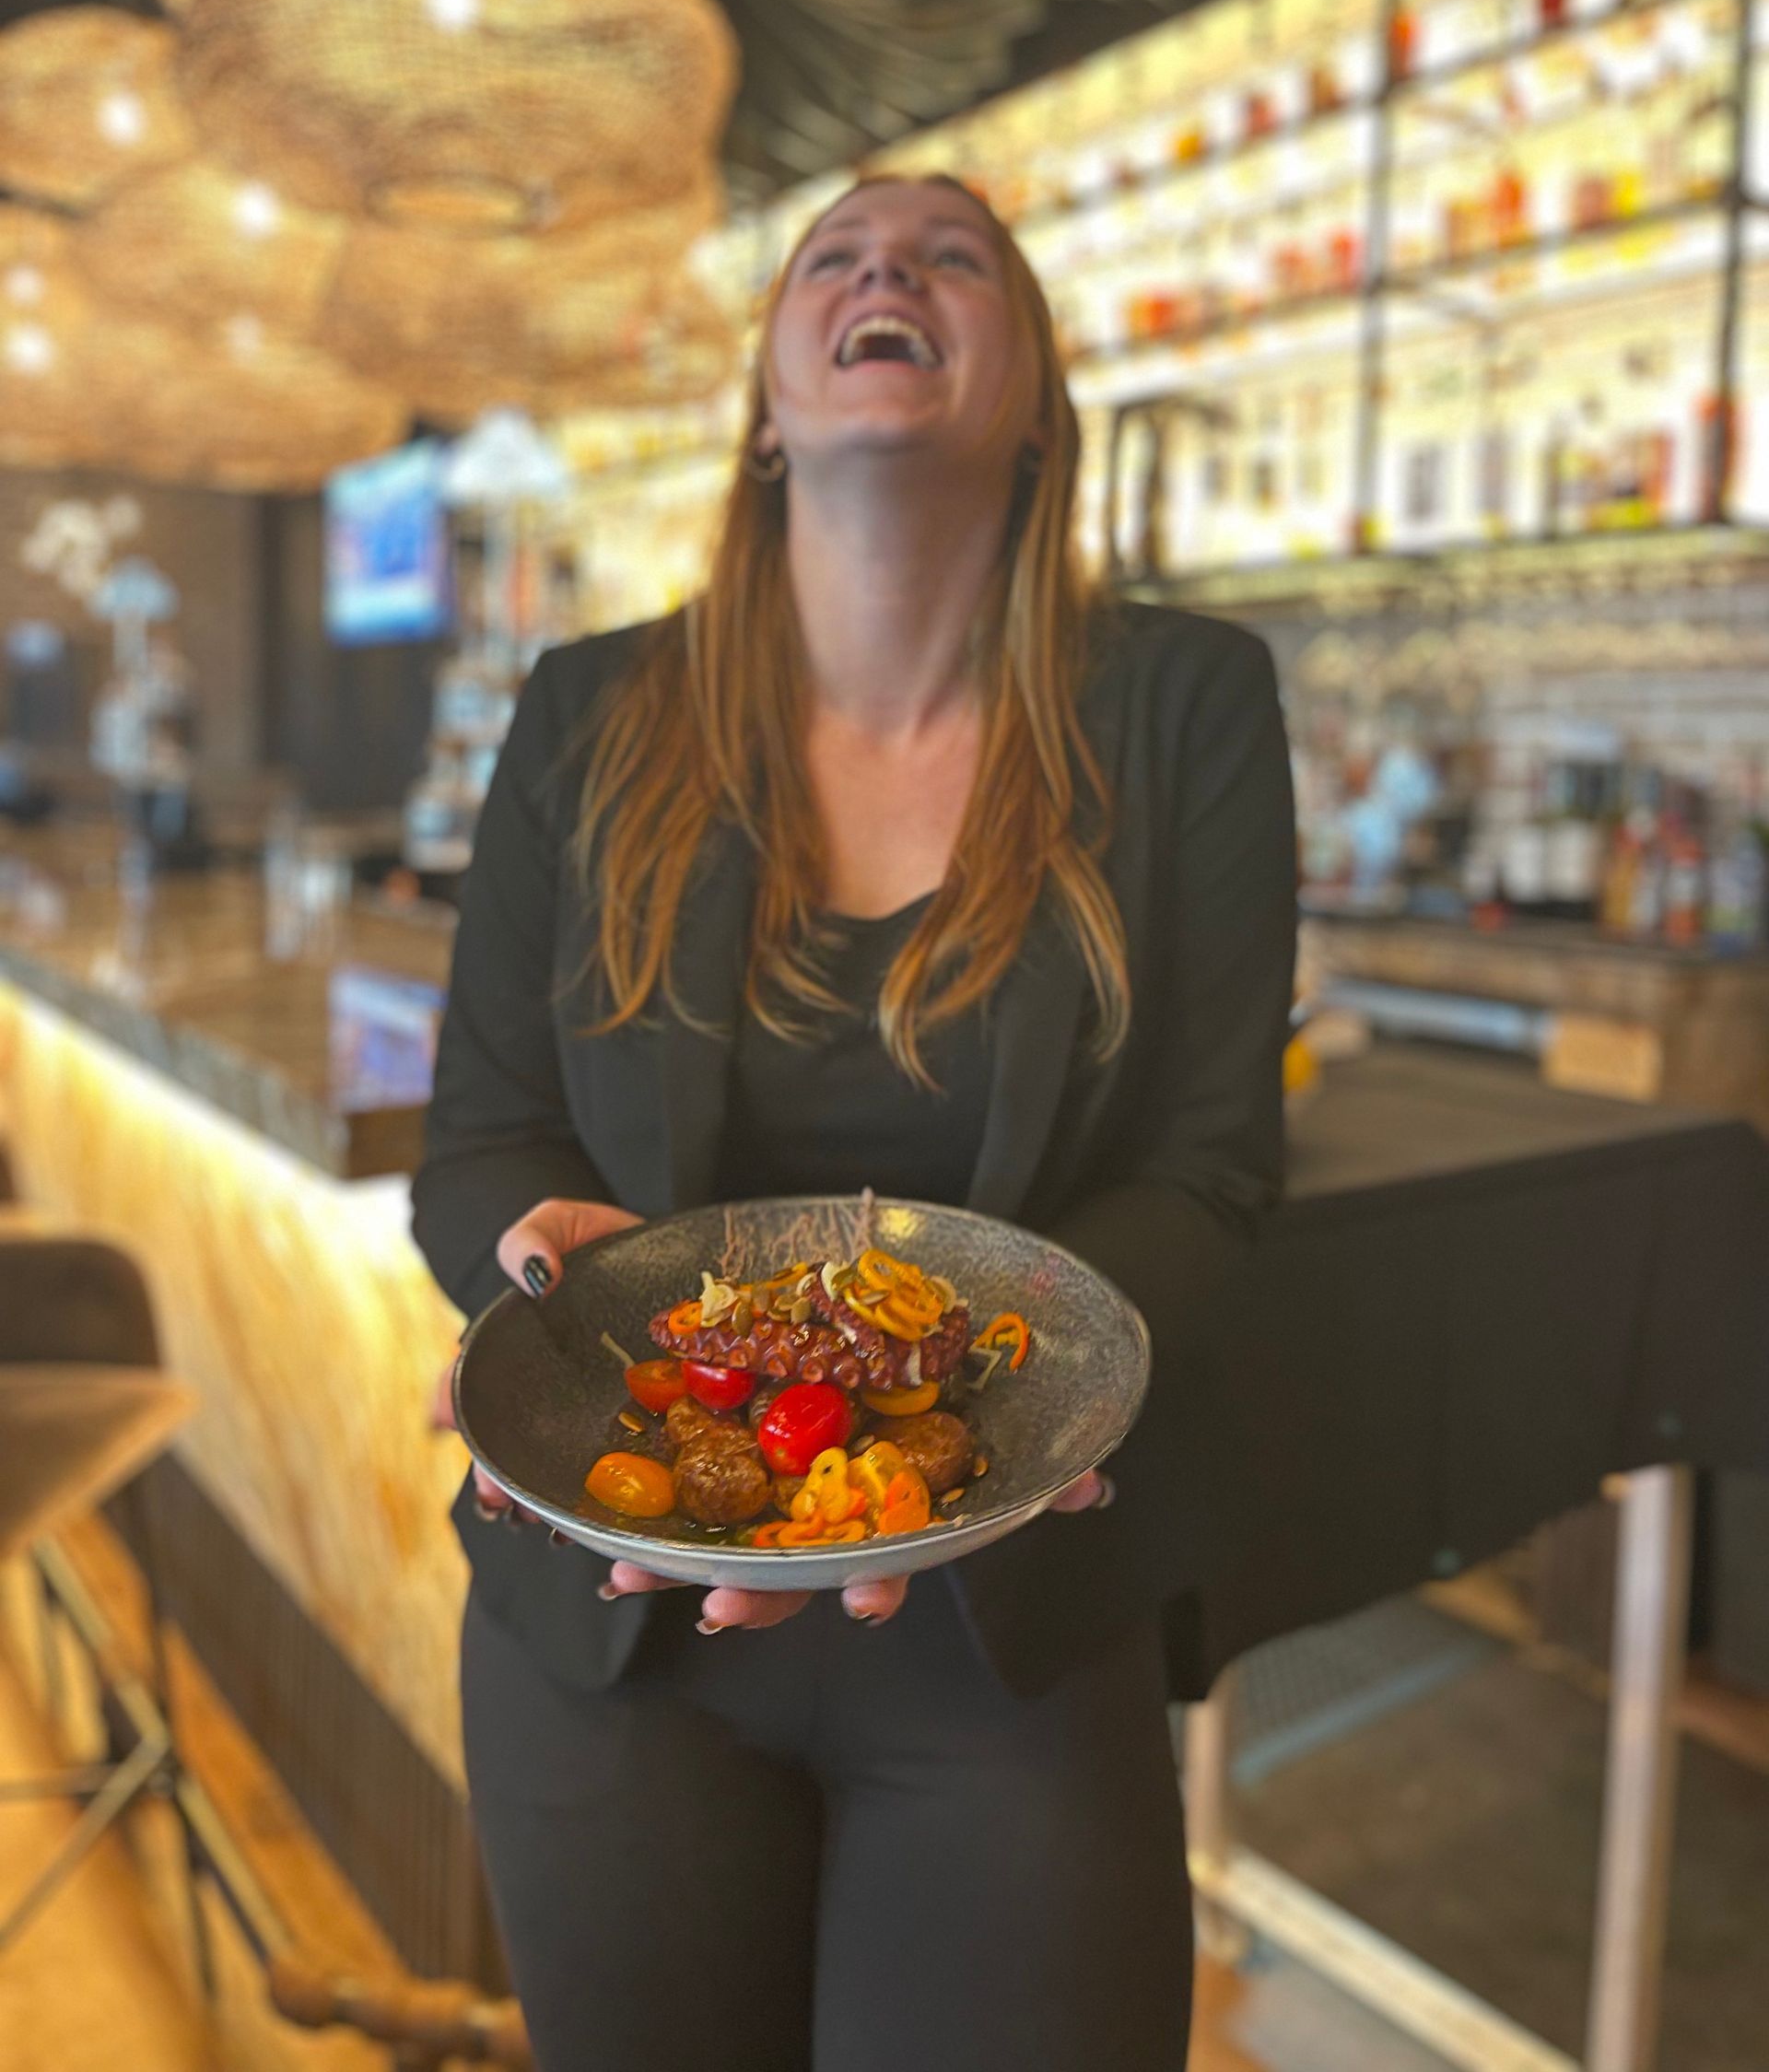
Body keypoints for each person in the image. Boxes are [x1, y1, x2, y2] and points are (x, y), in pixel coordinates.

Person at [414, 175, 1296, 2072]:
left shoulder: (1186, 709)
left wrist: (986, 1415)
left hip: (1018, 1626)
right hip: (611, 1619)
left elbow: (1217, 1177)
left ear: (1042, 396)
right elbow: (479, 1135)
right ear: (763, 404)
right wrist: (536, 1276)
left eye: (951, 254)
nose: (886, 266)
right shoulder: (585, 712)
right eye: (835, 255)